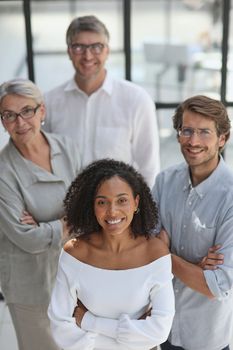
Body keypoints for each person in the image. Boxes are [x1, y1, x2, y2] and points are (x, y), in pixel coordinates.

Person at [48, 159, 175, 350]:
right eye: (102, 202)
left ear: (136, 203)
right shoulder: (75, 253)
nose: (112, 211)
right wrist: (134, 337)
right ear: (92, 205)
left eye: (122, 200)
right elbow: (60, 327)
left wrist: (89, 322)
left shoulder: (155, 253)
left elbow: (159, 331)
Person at [0, 78, 81, 350]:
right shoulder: (3, 171)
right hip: (29, 284)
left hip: (75, 274)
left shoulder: (69, 147)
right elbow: (28, 239)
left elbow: (91, 206)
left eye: (27, 111)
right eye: (9, 115)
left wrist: (46, 226)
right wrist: (70, 221)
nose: (20, 122)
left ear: (42, 111)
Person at [152, 95, 233, 350]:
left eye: (204, 132)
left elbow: (217, 286)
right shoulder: (164, 182)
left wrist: (165, 256)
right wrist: (193, 267)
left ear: (223, 138)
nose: (193, 141)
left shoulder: (231, 196)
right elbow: (143, 250)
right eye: (187, 130)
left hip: (206, 337)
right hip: (162, 328)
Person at [43, 15, 160, 188]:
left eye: (96, 47)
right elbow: (41, 162)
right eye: (78, 47)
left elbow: (149, 168)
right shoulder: (50, 102)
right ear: (69, 51)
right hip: (64, 209)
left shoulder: (136, 100)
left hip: (119, 210)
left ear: (107, 51)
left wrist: (142, 213)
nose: (88, 56)